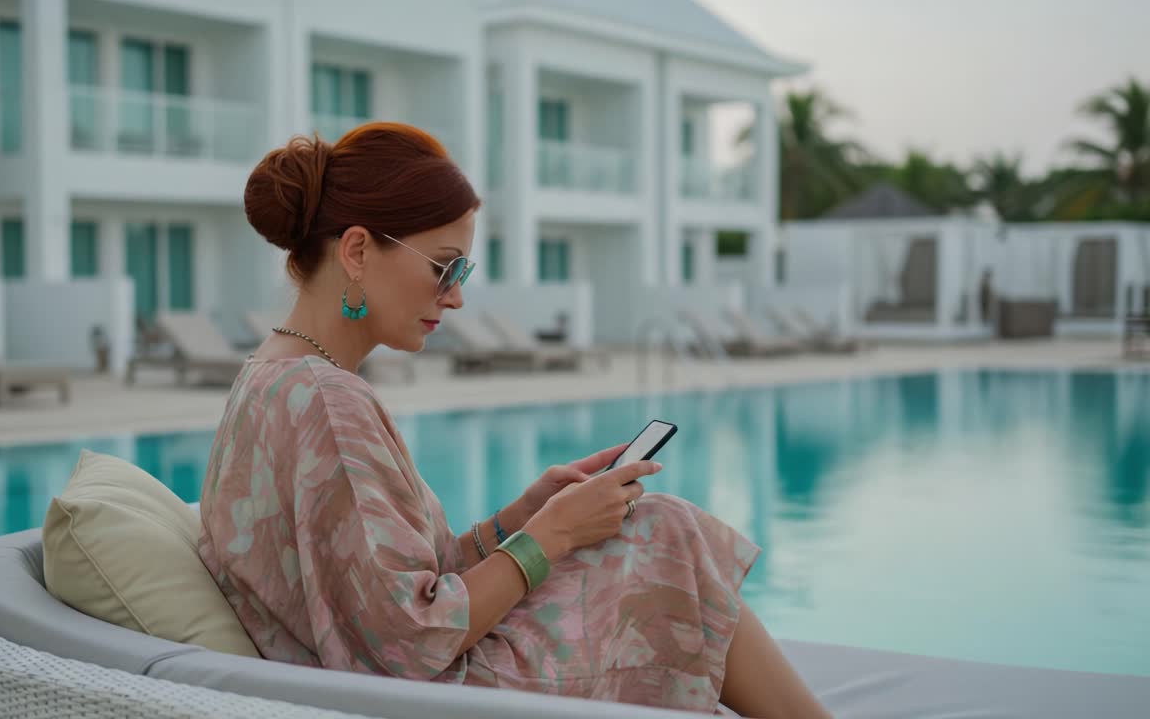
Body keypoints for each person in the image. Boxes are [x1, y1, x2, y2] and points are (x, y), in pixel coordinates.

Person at [197, 123, 830, 718]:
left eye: (463, 272)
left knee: (655, 536)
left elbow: (400, 580)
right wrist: (549, 535)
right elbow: (409, 642)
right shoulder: (325, 399)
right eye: (445, 267)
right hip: (445, 696)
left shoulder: (270, 378)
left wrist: (518, 517)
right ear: (358, 250)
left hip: (386, 680)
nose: (457, 296)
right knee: (666, 535)